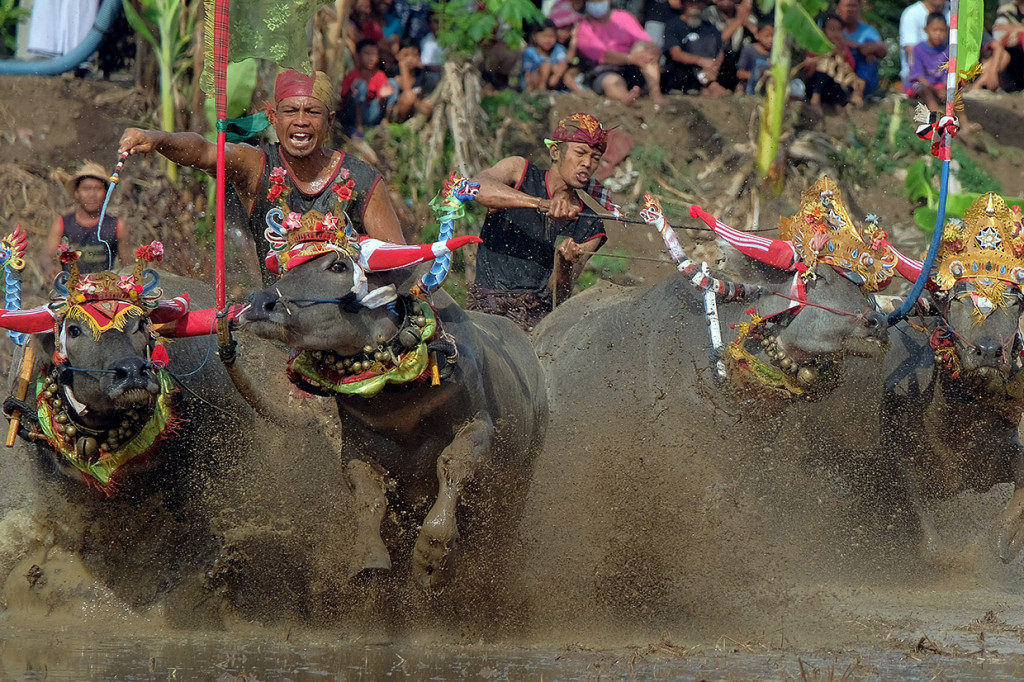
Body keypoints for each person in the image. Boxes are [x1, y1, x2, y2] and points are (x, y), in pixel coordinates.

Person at [118, 70, 406, 287]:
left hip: (348, 324)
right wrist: (156, 138)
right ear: (273, 117)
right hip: (280, 319)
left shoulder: (361, 178)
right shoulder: (256, 165)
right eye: (291, 111)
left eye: (312, 112)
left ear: (329, 121)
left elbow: (399, 262)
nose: (301, 121)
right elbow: (206, 152)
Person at [466, 113, 611, 332]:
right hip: (486, 312)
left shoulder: (590, 225)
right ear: (555, 152)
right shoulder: (519, 172)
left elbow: (559, 296)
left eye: (595, 157)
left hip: (535, 325)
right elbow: (476, 187)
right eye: (580, 153)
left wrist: (565, 263)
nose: (587, 163)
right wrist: (539, 203)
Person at [45, 161, 129, 277]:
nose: (92, 194)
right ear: (77, 193)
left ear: (105, 193)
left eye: (97, 189)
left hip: (105, 290)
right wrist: (50, 267)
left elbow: (127, 264)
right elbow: (47, 257)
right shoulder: (62, 224)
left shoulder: (117, 226)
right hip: (71, 289)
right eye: (86, 188)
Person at [576, 1, 665, 105]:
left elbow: (644, 40)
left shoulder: (624, 17)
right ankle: (625, 98)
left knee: (645, 50)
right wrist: (630, 58)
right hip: (605, 70)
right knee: (612, 81)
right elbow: (602, 55)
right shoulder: (583, 26)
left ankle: (656, 94)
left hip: (634, 65)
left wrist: (649, 51)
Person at [662, 0, 729, 97]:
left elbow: (720, 50)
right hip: (681, 75)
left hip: (707, 72)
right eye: (691, 2)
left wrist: (714, 67)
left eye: (698, 2)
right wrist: (702, 61)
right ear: (684, 3)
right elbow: (676, 54)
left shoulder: (709, 27)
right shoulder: (673, 25)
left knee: (710, 44)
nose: (695, 5)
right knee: (694, 46)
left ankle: (708, 84)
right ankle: (709, 85)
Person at [805, 12, 865, 109]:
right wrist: (820, 60)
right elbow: (808, 71)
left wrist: (839, 58)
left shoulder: (843, 49)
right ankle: (815, 99)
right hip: (815, 86)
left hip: (834, 87)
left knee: (845, 84)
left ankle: (838, 104)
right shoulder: (816, 47)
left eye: (839, 30)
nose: (836, 34)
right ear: (823, 31)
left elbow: (850, 70)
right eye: (832, 29)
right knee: (825, 68)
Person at [339, 39, 398, 138]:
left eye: (374, 54)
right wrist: (351, 92)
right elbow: (343, 99)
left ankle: (386, 121)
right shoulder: (352, 75)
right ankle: (358, 126)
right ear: (358, 55)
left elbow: (380, 104)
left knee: (393, 83)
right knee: (360, 84)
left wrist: (383, 97)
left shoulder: (379, 75)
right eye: (367, 54)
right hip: (353, 115)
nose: (371, 58)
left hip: (371, 113)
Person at [701, 0, 757, 91]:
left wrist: (745, 20)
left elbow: (759, 35)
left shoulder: (745, 14)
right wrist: (739, 20)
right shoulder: (709, 13)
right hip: (716, 54)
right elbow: (721, 39)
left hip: (738, 57)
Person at [836, 0, 887, 96]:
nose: (850, 10)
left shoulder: (868, 30)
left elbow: (883, 51)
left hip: (861, 77)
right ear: (838, 8)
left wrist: (871, 48)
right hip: (836, 74)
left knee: (870, 50)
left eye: (854, 6)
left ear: (859, 7)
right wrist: (857, 46)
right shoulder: (830, 25)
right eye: (847, 6)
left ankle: (858, 92)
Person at [390, 38, 439, 123]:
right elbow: (407, 92)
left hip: (414, 111)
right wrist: (403, 67)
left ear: (419, 57)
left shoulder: (421, 74)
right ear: (398, 56)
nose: (410, 59)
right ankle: (399, 127)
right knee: (409, 97)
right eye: (406, 55)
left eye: (414, 55)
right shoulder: (395, 73)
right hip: (396, 114)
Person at [898, 0, 947, 83]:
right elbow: (911, 52)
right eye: (934, 30)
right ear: (926, 29)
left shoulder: (954, 11)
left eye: (941, 30)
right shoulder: (911, 13)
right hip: (919, 78)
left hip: (944, 78)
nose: (938, 34)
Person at [522, 19, 570, 91]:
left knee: (559, 67)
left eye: (551, 36)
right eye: (544, 36)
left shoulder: (558, 48)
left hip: (552, 82)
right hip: (534, 81)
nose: (547, 40)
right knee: (546, 65)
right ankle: (542, 88)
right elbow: (527, 73)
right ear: (534, 37)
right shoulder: (530, 52)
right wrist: (527, 88)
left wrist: (556, 77)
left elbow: (563, 64)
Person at [993, 0, 1024, 92]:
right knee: (1003, 55)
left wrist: (1013, 29)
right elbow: (999, 35)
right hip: (1010, 52)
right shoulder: (1006, 10)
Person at [736, 21, 772, 94]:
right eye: (767, 36)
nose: (771, 40)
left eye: (773, 36)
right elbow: (740, 73)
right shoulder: (749, 50)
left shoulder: (775, 55)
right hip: (748, 91)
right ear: (757, 35)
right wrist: (757, 77)